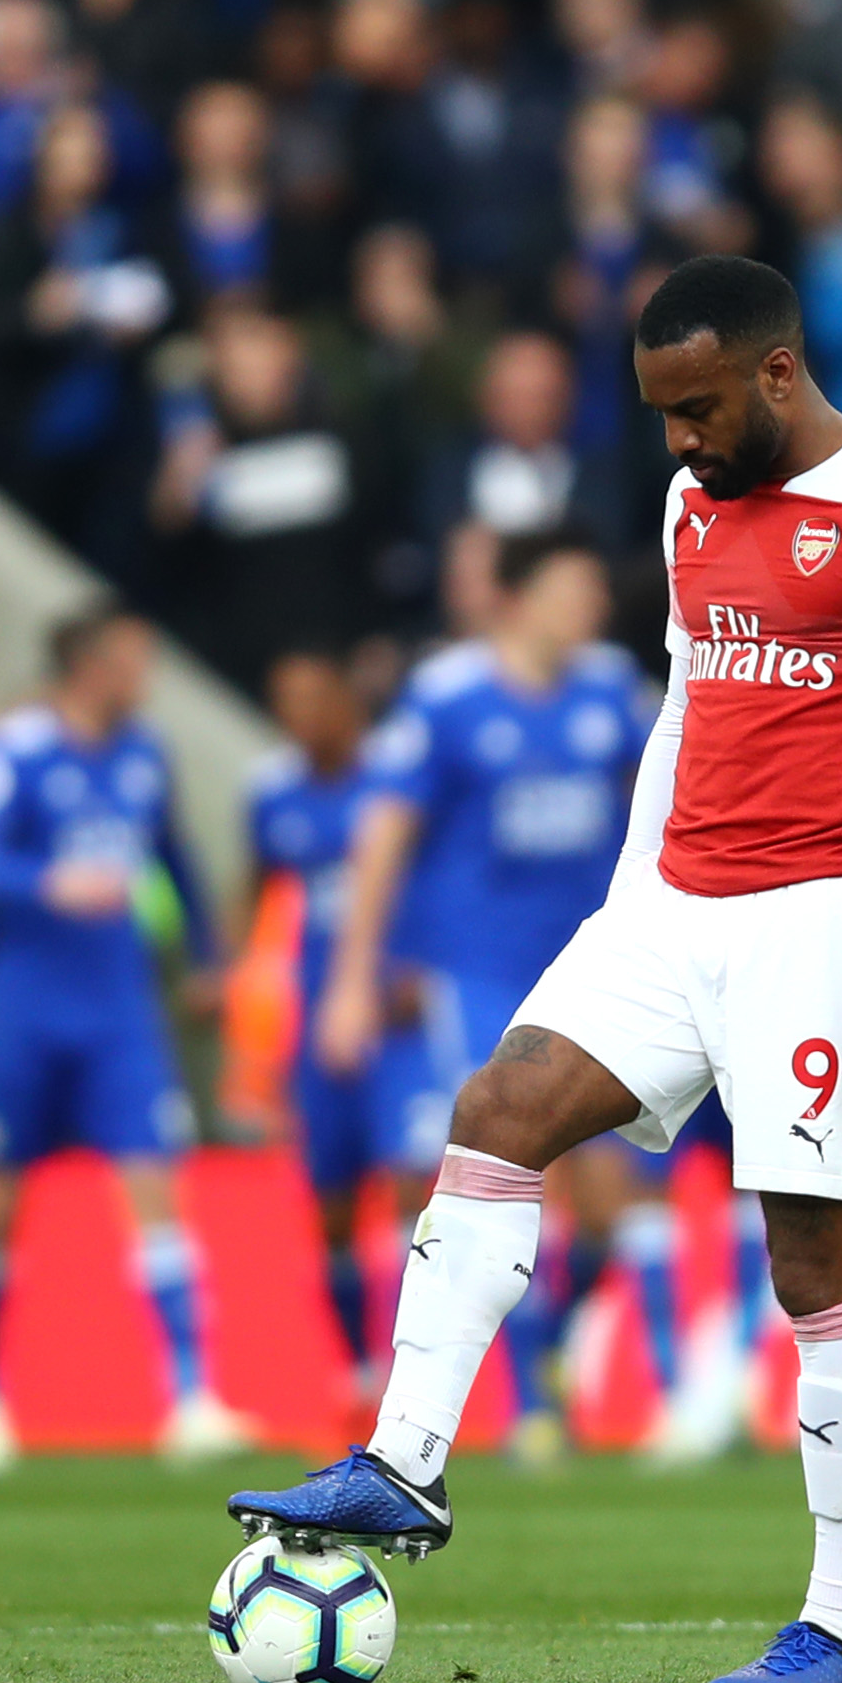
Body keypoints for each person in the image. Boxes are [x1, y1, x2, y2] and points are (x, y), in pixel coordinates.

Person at [230, 254, 842, 1683]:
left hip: (825, 920)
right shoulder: (688, 503)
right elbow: (686, 705)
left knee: (819, 1270)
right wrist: (630, 897)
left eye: (700, 407)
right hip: (672, 907)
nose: (681, 438)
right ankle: (403, 1464)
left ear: (778, 373)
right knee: (498, 1109)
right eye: (663, 411)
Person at [311, 528, 655, 1462]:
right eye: (573, 587)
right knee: (508, 1170)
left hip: (593, 966)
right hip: (476, 975)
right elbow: (383, 837)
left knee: (611, 1198)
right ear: (519, 596)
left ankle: (553, 1350)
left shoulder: (612, 693)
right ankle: (530, 1403)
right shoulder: (447, 699)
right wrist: (353, 978)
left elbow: (665, 804)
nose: (590, 605)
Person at [0, 602, 243, 1476]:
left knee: (155, 1184)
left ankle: (191, 1399)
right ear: (89, 664)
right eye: (132, 659)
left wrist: (206, 955)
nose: (145, 676)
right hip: (24, 1011)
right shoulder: (14, 753)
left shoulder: (144, 755)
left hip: (121, 1012)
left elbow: (175, 857)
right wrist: (50, 882)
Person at [245, 647, 437, 1399]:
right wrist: (236, 976)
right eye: (285, 703)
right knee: (331, 1201)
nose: (299, 717)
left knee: (415, 1186)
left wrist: (424, 966)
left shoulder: (399, 777)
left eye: (311, 698)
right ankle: (357, 1365)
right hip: (320, 1023)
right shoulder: (271, 794)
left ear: (346, 702)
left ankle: (417, 1369)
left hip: (400, 1019)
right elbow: (254, 887)